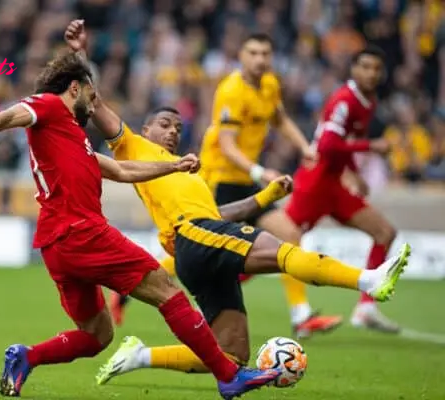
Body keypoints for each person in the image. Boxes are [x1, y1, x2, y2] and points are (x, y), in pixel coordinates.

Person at [61, 20, 411, 385]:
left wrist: (266, 196)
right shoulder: (133, 145)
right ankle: (367, 281)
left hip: (198, 244)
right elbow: (94, 102)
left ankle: (140, 356)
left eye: (178, 127)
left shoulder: (189, 174)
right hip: (193, 237)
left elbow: (221, 214)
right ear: (146, 130)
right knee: (280, 248)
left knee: (231, 352)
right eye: (164, 124)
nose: (173, 131)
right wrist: (79, 54)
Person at [0, 50, 280, 400]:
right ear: (75, 88)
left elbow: (121, 170)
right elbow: (12, 114)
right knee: (166, 290)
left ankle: (26, 356)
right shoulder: (51, 107)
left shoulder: (71, 137)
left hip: (57, 246)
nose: (94, 101)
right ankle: (228, 376)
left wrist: (173, 167)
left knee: (98, 335)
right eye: (91, 94)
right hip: (81, 231)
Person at [109, 33, 343, 339]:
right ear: (242, 57)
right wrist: (261, 171)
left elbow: (280, 118)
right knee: (196, 254)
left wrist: (304, 146)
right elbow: (227, 145)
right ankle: (130, 285)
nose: (260, 59)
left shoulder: (270, 85)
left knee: (288, 234)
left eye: (265, 53)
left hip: (246, 181)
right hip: (220, 180)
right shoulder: (231, 91)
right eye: (253, 52)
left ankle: (301, 316)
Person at [284, 46, 402, 333]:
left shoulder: (368, 101)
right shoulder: (344, 100)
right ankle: (220, 289)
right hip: (314, 184)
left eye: (376, 68)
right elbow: (327, 146)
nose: (371, 73)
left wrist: (354, 173)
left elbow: (342, 143)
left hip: (335, 185)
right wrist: (370, 147)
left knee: (385, 233)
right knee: (279, 246)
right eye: (365, 67)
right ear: (354, 69)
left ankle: (366, 309)